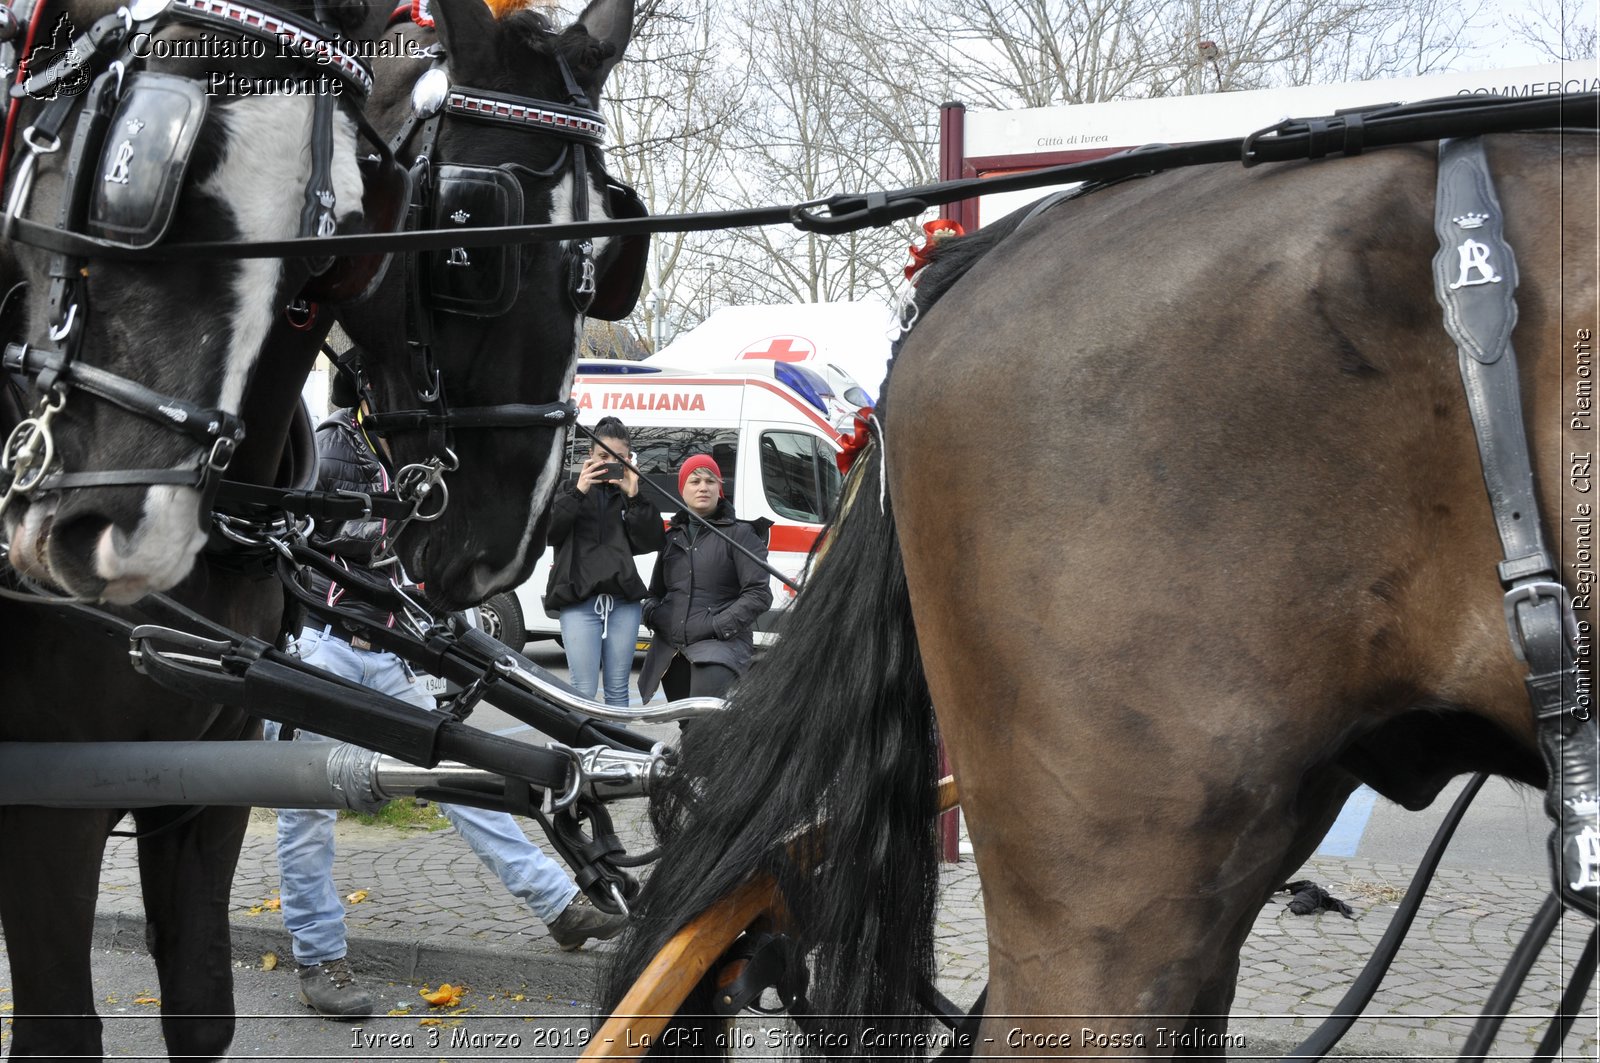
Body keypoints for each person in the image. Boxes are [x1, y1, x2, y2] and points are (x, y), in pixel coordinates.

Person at [266, 377, 626, 1021]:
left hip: (389, 652)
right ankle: (319, 957)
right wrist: (398, 533)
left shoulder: (420, 457)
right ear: (371, 398)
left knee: (458, 780)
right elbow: (316, 542)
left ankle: (557, 908)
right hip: (329, 647)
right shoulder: (334, 445)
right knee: (307, 810)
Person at [544, 417, 664, 706]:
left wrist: (633, 494)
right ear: (589, 456)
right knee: (582, 691)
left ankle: (616, 750)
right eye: (602, 456)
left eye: (618, 458)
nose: (609, 463)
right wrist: (578, 490)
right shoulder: (568, 489)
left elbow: (651, 541)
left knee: (618, 689)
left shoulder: (629, 496)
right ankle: (586, 751)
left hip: (623, 604)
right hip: (578, 603)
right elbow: (548, 533)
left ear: (629, 459)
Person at [638, 454, 773, 703]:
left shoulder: (741, 535)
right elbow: (654, 593)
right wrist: (654, 615)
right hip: (671, 649)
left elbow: (758, 594)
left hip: (720, 647)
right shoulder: (671, 538)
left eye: (710, 481)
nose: (703, 487)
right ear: (682, 490)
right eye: (695, 481)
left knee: (703, 722)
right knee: (687, 727)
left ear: (719, 488)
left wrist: (717, 626)